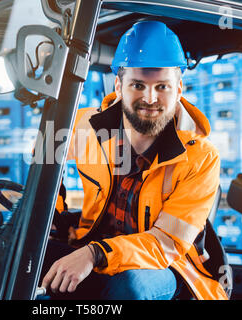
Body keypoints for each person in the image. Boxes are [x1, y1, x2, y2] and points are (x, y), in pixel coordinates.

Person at [40, 20, 229, 300]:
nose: (150, 98)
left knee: (131, 286)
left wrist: (95, 254)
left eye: (162, 86)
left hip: (165, 268)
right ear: (119, 85)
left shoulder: (202, 158)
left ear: (178, 90)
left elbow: (166, 244)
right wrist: (50, 219)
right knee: (9, 252)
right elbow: (45, 159)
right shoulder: (83, 125)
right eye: (138, 84)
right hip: (93, 248)